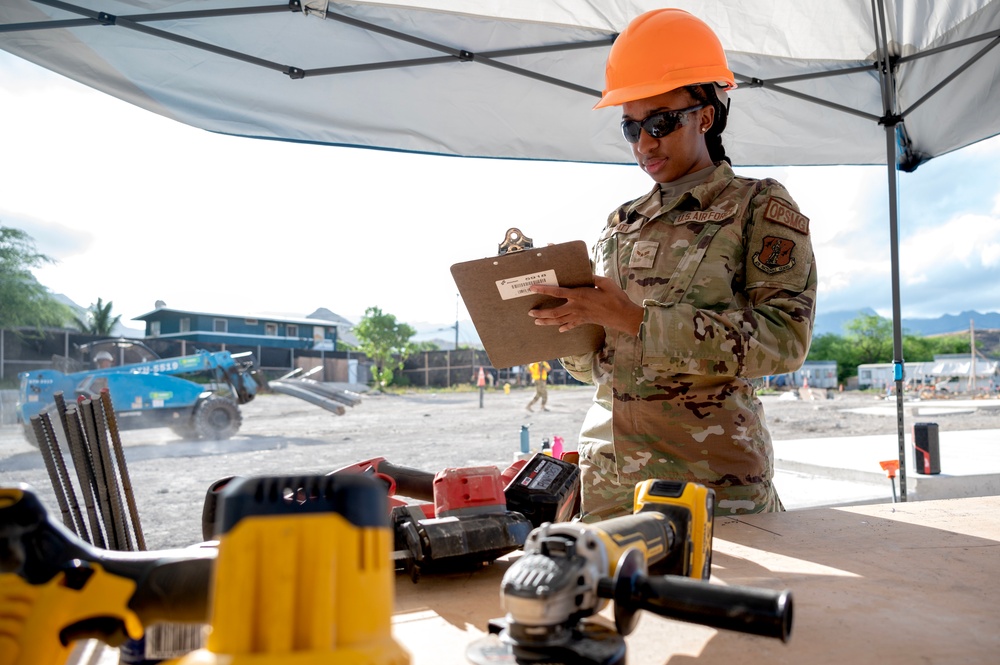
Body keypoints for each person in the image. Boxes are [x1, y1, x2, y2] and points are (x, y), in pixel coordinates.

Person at [528, 9, 816, 520]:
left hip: (712, 484)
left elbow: (785, 340)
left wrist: (636, 320)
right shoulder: (621, 222)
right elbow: (601, 365)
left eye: (660, 122)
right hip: (611, 484)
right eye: (631, 127)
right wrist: (564, 328)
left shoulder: (757, 206)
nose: (644, 143)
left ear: (705, 115)